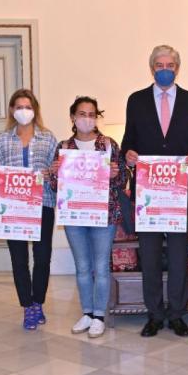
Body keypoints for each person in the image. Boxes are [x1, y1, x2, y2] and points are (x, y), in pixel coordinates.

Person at [121, 44, 188, 338]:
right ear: (152, 67)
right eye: (159, 64)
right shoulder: (137, 100)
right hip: (148, 192)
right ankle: (155, 314)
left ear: (177, 68)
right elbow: (128, 140)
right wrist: (129, 153)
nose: (164, 68)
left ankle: (178, 314)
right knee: (151, 254)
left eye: (170, 64)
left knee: (180, 254)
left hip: (180, 191)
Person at [46, 96, 128, 337]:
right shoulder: (64, 147)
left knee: (101, 266)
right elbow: (54, 185)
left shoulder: (109, 145)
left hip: (104, 215)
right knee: (82, 266)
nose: (87, 119)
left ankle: (100, 315)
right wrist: (53, 173)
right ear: (73, 117)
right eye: (82, 114)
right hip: (75, 215)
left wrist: (116, 173)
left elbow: (124, 179)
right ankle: (87, 312)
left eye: (91, 114)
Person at [0, 89, 58, 331]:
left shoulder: (48, 138)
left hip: (42, 205)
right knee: (19, 259)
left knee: (42, 257)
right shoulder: (4, 140)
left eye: (28, 107)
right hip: (13, 208)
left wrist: (52, 173)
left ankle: (38, 302)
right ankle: (27, 306)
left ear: (35, 110)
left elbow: (57, 175)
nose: (23, 111)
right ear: (12, 111)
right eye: (19, 107)